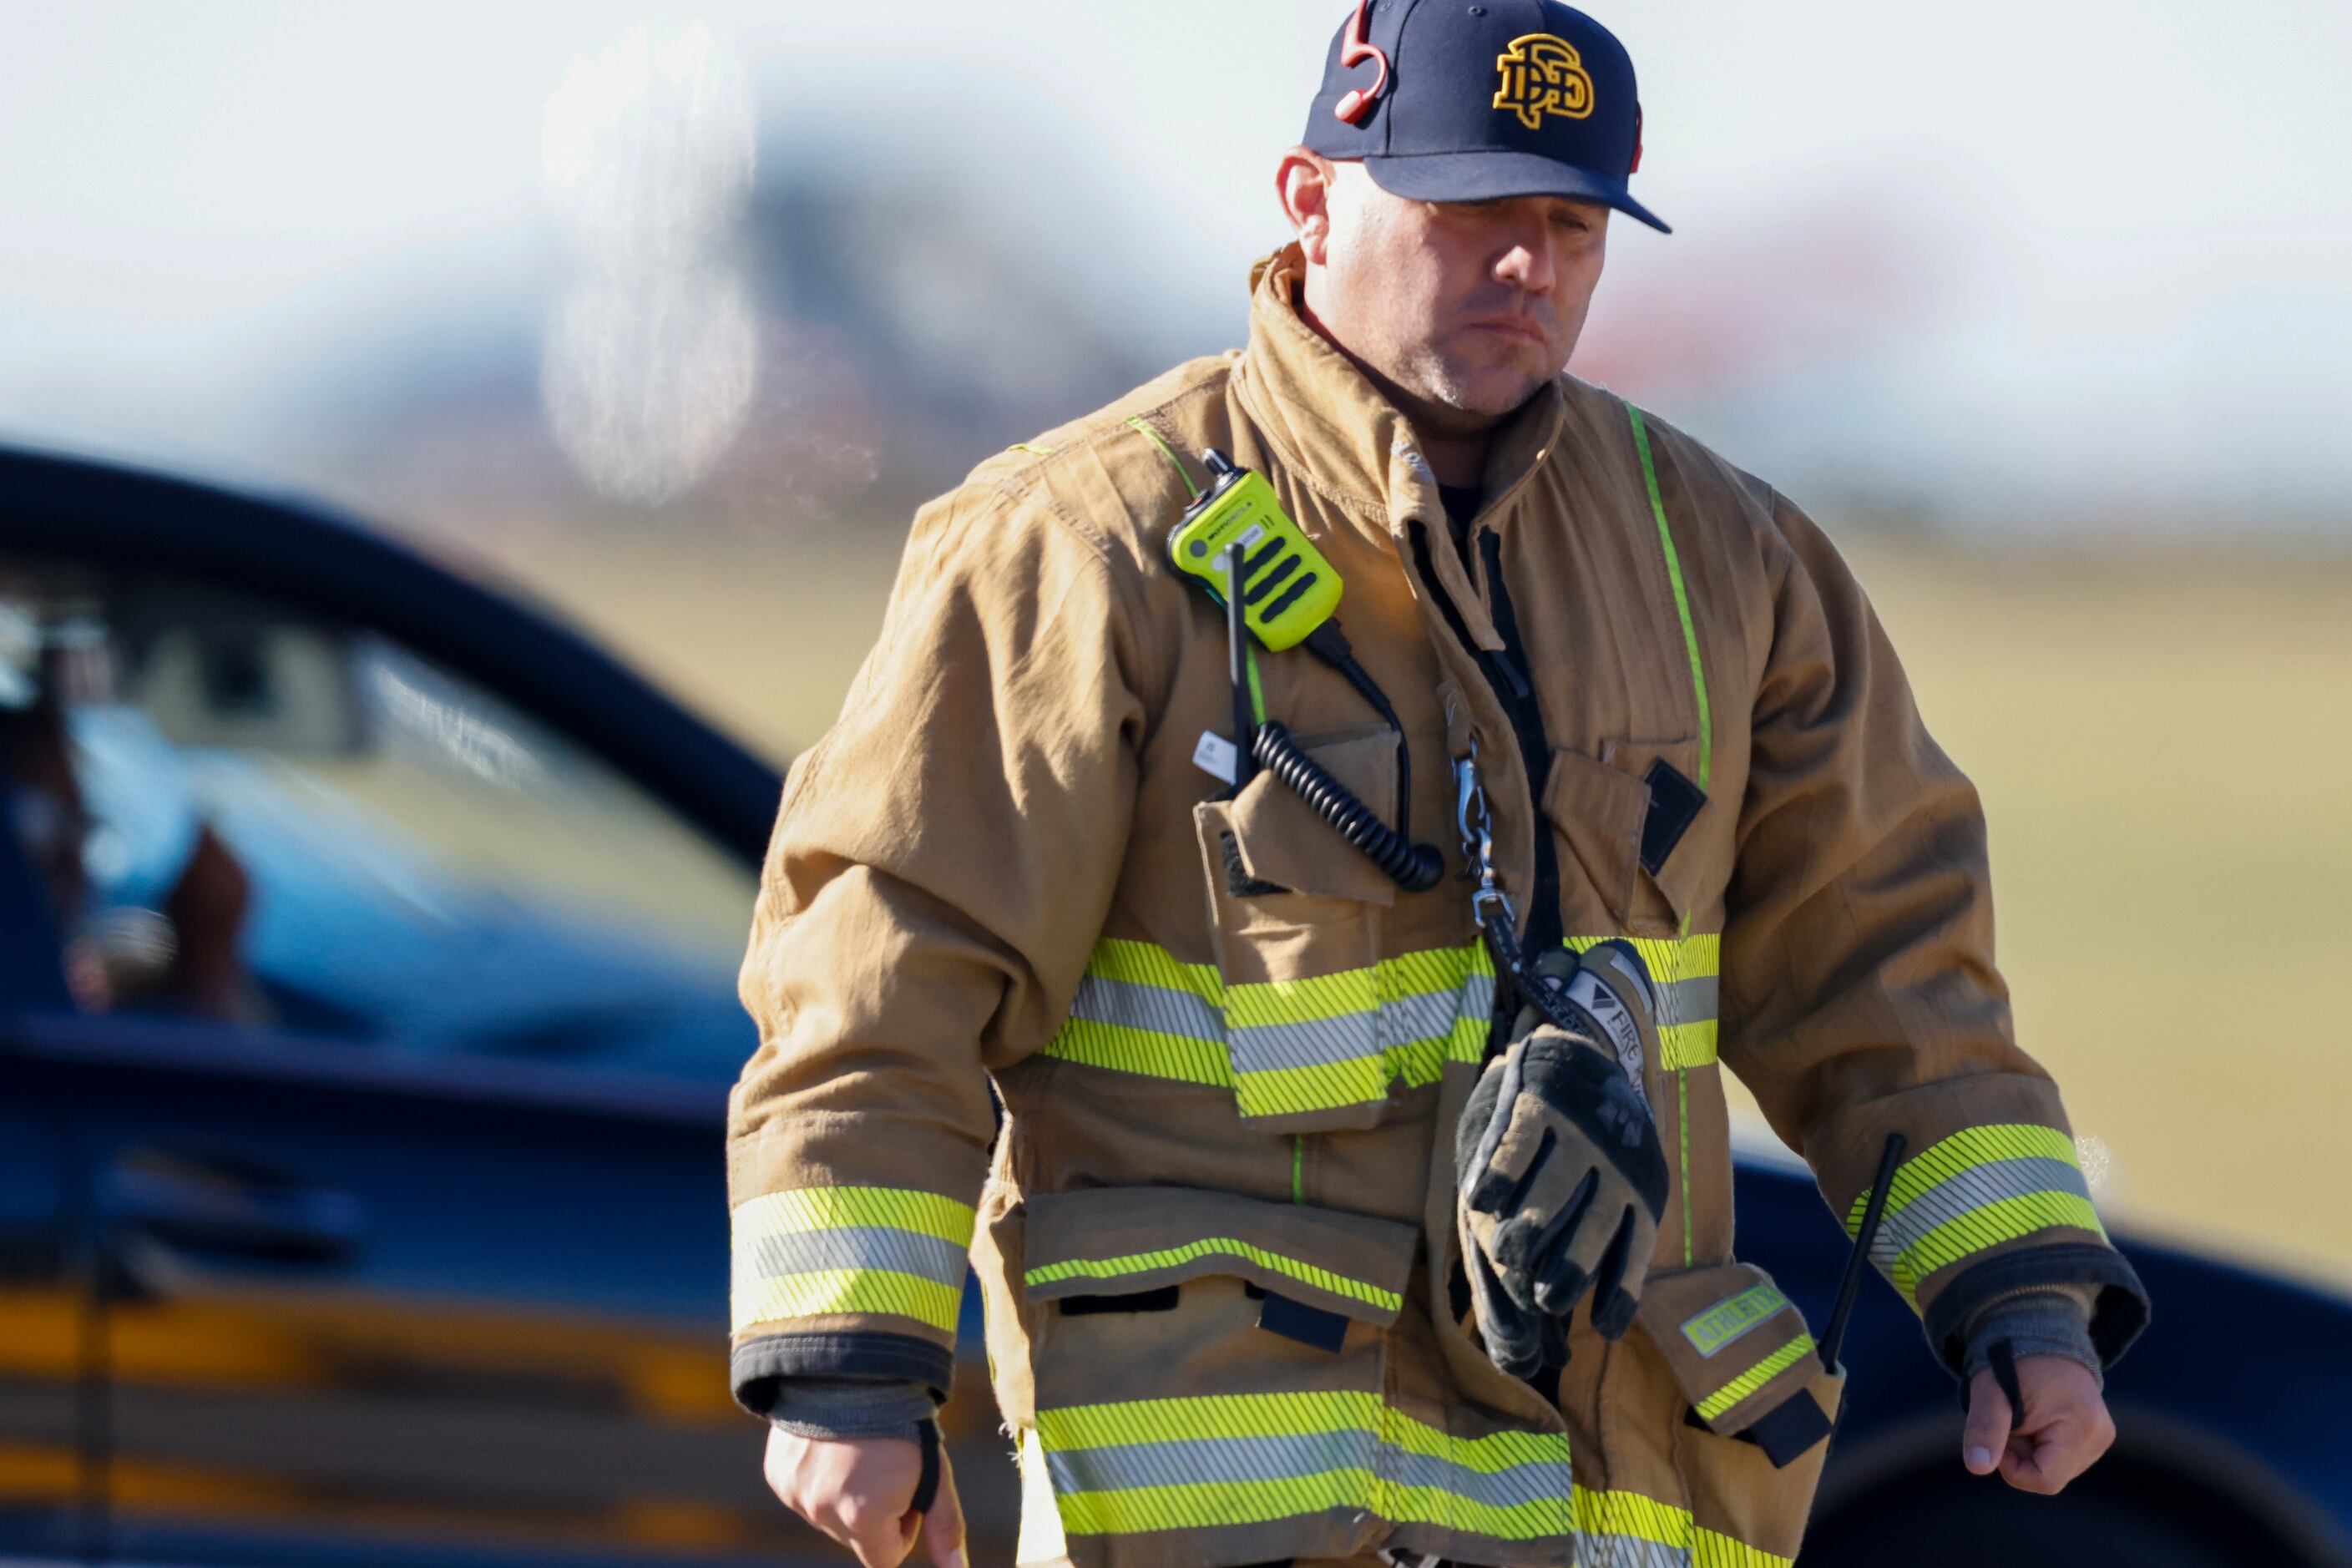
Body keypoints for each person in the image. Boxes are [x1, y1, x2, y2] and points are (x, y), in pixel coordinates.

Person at [725, 4, 2149, 1565]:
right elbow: (887, 958)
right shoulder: (1081, 542)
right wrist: (847, 1361)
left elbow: (1885, 967)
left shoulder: (1726, 562)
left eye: (1568, 221)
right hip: (1236, 1506)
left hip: (1624, 1505)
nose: (1527, 265)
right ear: (1310, 199)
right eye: (1467, 213)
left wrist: (2017, 1289)